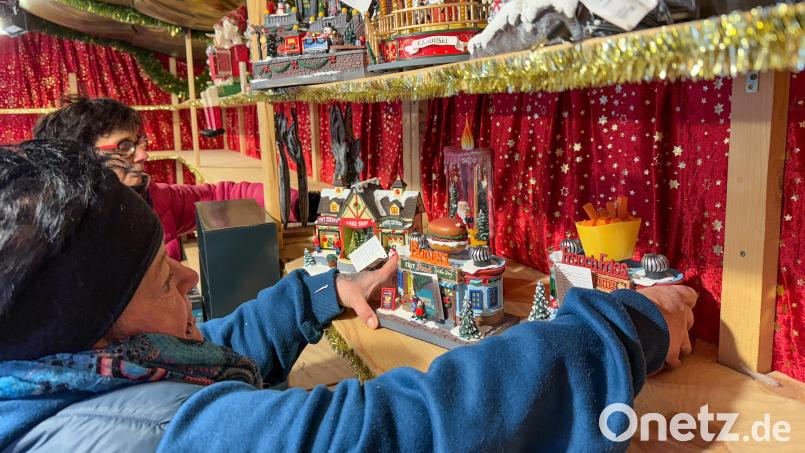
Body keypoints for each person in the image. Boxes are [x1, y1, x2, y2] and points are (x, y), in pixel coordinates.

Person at [0, 140, 697, 451]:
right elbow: (396, 432)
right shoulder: (139, 442)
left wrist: (320, 294)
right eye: (160, 277)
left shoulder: (61, 377)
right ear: (94, 336)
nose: (189, 277)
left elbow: (197, 357)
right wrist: (626, 324)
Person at [32, 96, 317, 261]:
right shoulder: (62, 238)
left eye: (139, 142)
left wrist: (301, 203)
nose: (143, 155)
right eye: (125, 148)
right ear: (81, 157)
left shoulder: (154, 198)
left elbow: (221, 195)